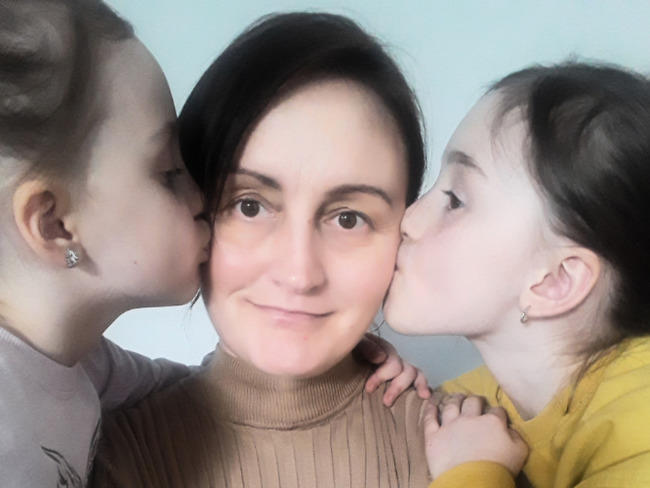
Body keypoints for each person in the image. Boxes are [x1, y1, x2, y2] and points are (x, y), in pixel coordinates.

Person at [0, 2, 414, 486]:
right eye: (249, 205)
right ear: (55, 226)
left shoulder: (84, 366)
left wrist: (356, 355)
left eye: (349, 218)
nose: (299, 275)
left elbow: (190, 385)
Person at [384, 61, 650, 487]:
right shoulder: (486, 397)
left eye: (454, 200)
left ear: (554, 282)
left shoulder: (640, 427)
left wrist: (473, 471)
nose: (408, 219)